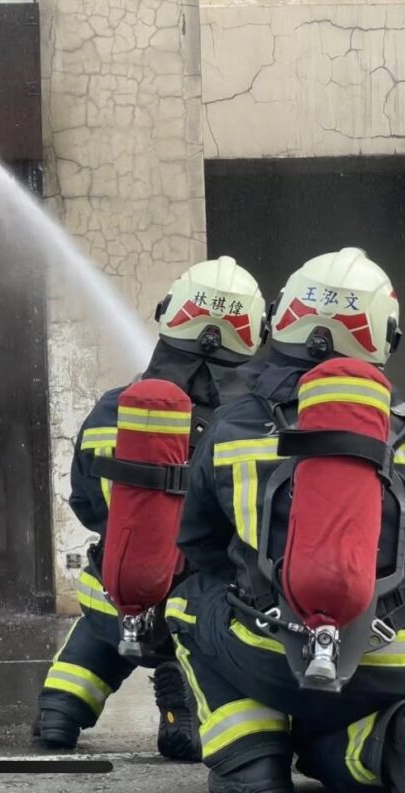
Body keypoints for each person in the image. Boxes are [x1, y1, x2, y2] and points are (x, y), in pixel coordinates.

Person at [168, 247, 405, 792]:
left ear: (281, 317)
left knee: (186, 599)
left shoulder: (231, 425)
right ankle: (369, 749)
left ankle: (250, 754)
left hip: (268, 653)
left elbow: (198, 543)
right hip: (389, 660)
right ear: (383, 338)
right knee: (362, 711)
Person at [34, 257, 266, 760]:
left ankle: (59, 708)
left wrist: (133, 536)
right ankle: (182, 699)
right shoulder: (255, 424)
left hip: (115, 597)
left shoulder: (112, 408)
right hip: (201, 611)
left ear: (168, 315)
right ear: (256, 332)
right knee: (223, 648)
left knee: (94, 637)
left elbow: (84, 501)